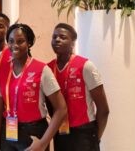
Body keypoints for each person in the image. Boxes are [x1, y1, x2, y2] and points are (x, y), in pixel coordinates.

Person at [0, 23, 67, 151]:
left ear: (29, 43)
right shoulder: (2, 71)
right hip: (8, 131)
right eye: (11, 41)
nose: (15, 45)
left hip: (34, 132)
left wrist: (43, 143)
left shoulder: (42, 69)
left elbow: (61, 109)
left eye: (20, 41)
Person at [47, 23, 109, 151]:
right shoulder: (48, 69)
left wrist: (94, 139)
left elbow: (104, 109)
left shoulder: (85, 66)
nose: (57, 39)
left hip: (84, 133)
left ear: (73, 43)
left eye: (63, 37)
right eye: (54, 37)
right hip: (60, 132)